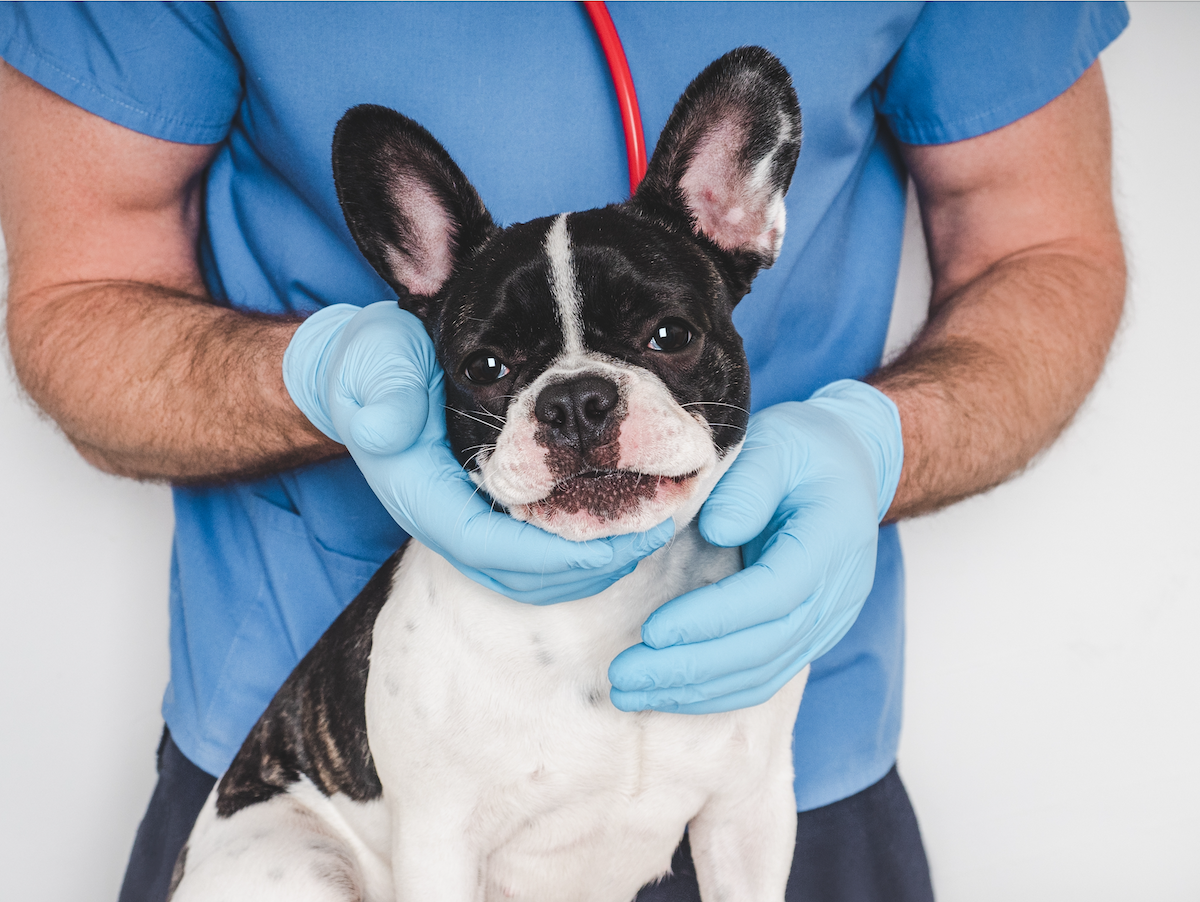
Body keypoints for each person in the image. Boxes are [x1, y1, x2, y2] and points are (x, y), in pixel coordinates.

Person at [0, 3, 1128, 901]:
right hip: (327, 813)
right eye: (495, 371)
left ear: (744, 220)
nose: (582, 413)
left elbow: (1044, 242)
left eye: (668, 339)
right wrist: (319, 378)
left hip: (811, 717)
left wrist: (884, 444)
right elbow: (76, 288)